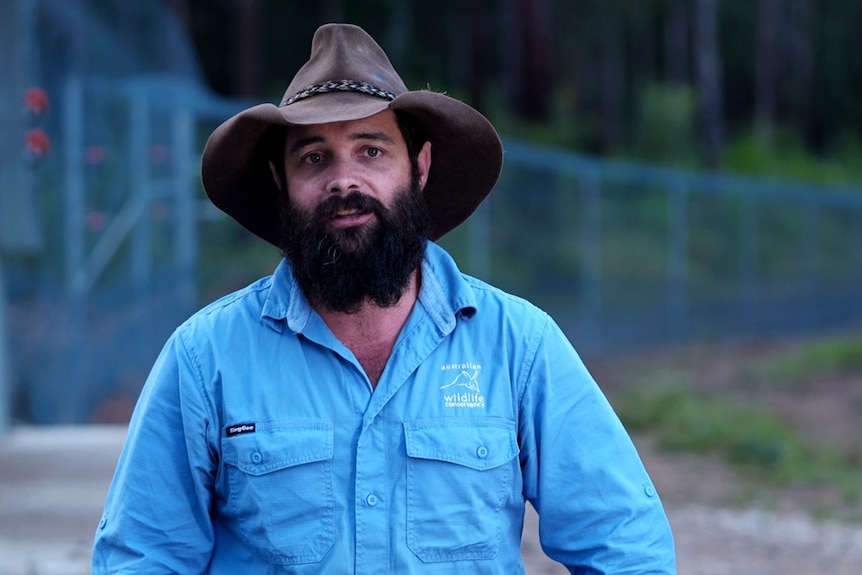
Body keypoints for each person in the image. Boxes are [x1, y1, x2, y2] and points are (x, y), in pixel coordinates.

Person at [92, 22, 676, 574]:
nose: (345, 183)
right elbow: (142, 556)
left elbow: (624, 545)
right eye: (314, 158)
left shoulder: (518, 345)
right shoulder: (205, 357)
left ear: (418, 168)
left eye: (372, 151)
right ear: (281, 182)